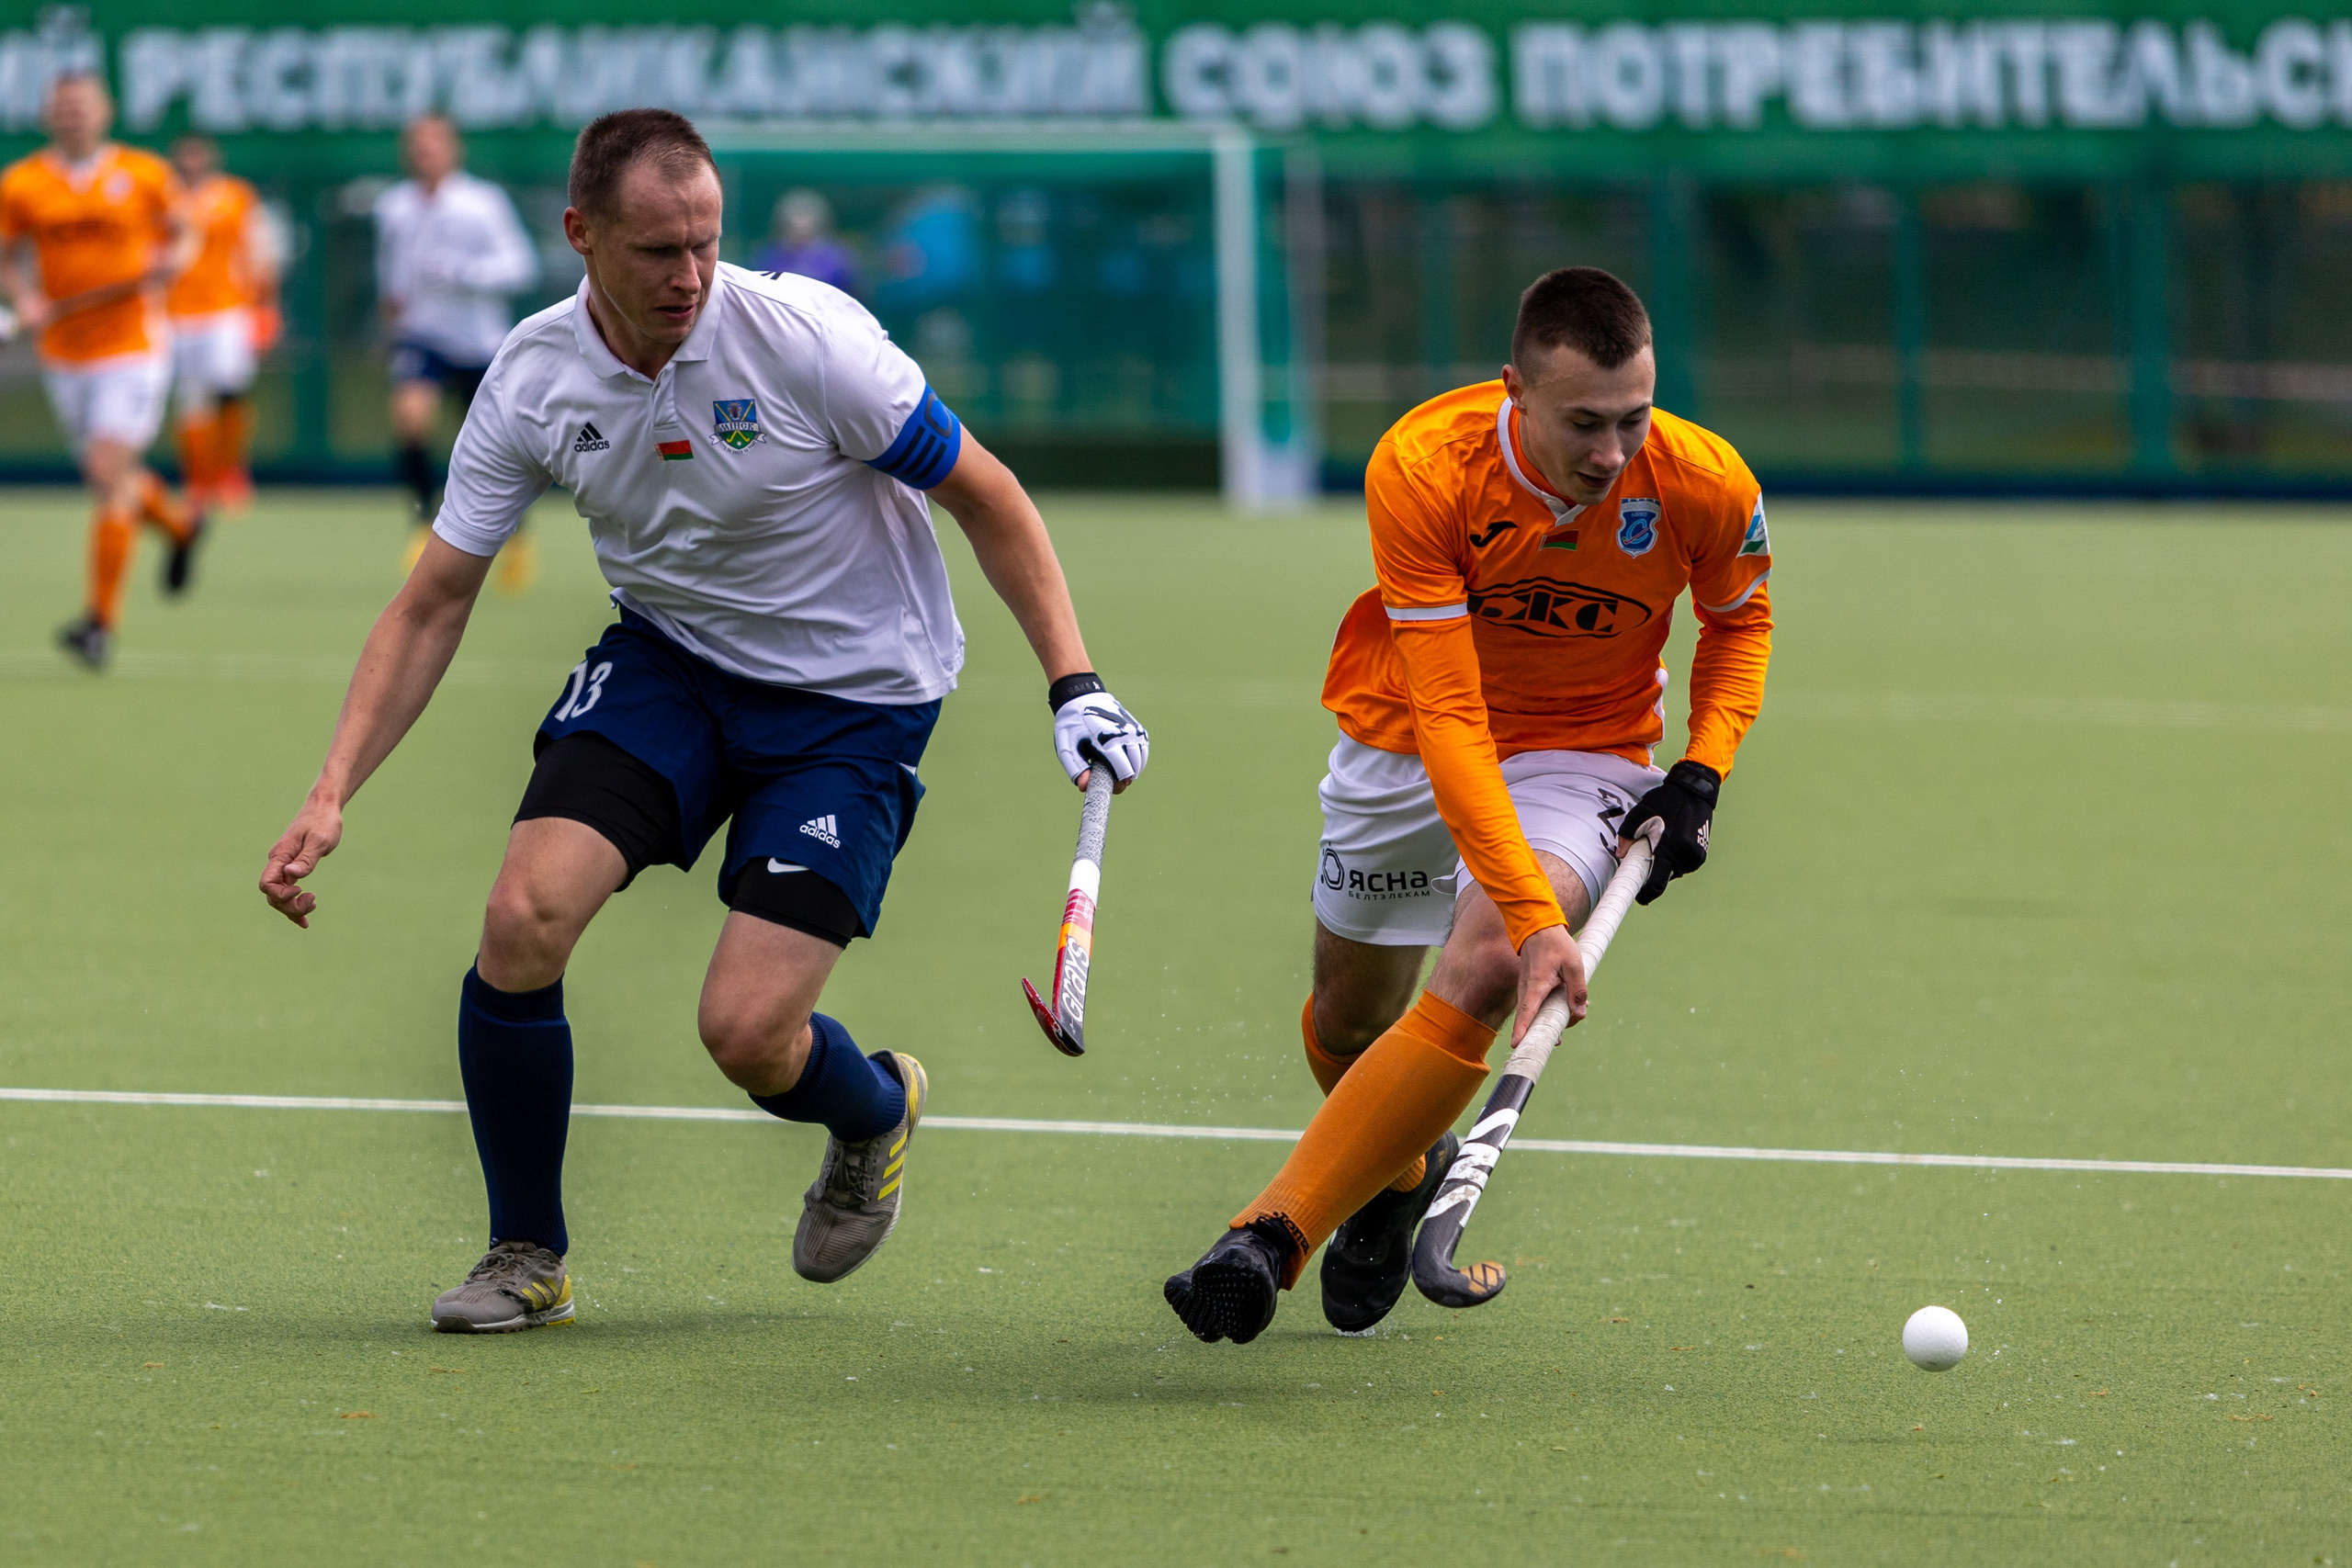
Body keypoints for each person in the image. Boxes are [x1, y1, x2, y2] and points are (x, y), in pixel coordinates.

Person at [259, 109, 1150, 1336]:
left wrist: (1073, 681)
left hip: (853, 698)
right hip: (671, 663)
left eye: (706, 243)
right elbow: (433, 602)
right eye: (657, 250)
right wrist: (332, 787)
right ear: (580, 234)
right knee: (522, 918)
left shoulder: (808, 342)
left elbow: (988, 497)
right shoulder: (533, 375)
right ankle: (527, 1252)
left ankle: (873, 1109)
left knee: (745, 1031)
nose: (689, 276)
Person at [1162, 267, 1773, 1345]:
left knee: (1486, 964)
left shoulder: (1704, 481)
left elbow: (1738, 622)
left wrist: (1699, 771)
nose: (1612, 452)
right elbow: (1451, 717)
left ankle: (1266, 1239)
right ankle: (1400, 1173)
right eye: (1582, 423)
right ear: (1514, 390)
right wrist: (1542, 924)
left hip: (1581, 749)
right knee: (1348, 1024)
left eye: (1632, 417)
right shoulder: (1423, 466)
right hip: (1410, 729)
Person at [0, 71, 204, 671]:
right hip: (64, 352)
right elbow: (6, 255)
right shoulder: (22, 182)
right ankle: (179, 526)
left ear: (105, 112)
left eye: (83, 106)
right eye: (64, 107)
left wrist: (174, 260)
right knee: (115, 479)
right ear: (48, 115)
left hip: (132, 345)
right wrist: (25, 298)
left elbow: (186, 232)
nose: (74, 116)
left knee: (105, 469)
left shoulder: (144, 173)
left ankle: (98, 623)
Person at [373, 113, 539, 591]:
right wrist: (392, 306)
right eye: (417, 145)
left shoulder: (482, 203)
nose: (424, 153)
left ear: (452, 149)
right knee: (410, 418)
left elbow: (520, 266)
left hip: (478, 341)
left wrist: (464, 273)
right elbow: (392, 267)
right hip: (421, 335)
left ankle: (516, 536)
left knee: (497, 449)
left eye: (433, 144)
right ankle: (423, 523)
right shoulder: (394, 206)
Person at [165, 134, 277, 513]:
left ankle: (230, 470)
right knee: (192, 401)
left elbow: (259, 248)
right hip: (177, 314)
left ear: (210, 157)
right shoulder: (165, 197)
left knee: (230, 388)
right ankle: (198, 480)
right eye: (185, 154)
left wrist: (265, 304)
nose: (191, 162)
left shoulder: (235, 195)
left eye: (197, 154)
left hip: (227, 309)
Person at [753, 188, 856, 295]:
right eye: (796, 214)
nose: (800, 222)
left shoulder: (836, 258)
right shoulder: (769, 256)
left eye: (805, 214)